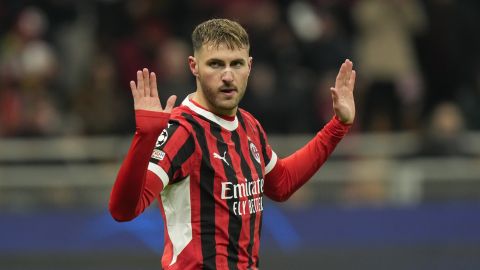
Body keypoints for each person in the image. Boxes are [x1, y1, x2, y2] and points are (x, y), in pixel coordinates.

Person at [109, 18, 356, 270]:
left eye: (236, 64)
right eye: (215, 64)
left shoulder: (248, 125)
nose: (227, 76)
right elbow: (123, 210)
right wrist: (145, 138)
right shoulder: (182, 131)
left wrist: (338, 125)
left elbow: (281, 184)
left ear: (249, 66)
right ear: (194, 66)